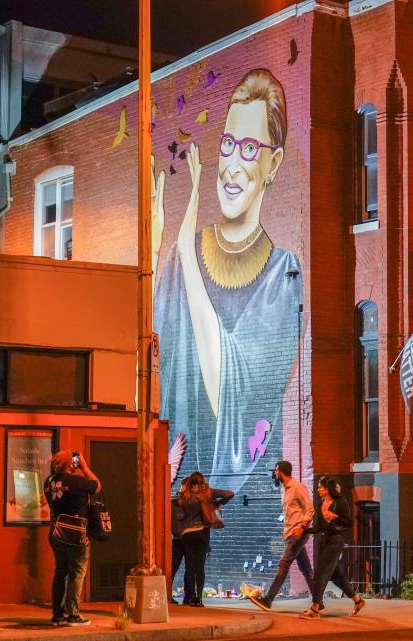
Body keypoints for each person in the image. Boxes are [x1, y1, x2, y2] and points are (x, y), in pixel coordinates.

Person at [153, 68, 303, 500]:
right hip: (177, 499)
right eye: (228, 144)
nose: (232, 165)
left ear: (274, 164)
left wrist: (182, 249)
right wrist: (156, 248)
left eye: (251, 148)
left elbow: (233, 402)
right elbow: (151, 368)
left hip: (241, 513)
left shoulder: (282, 275)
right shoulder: (182, 259)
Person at [44, 450, 101, 627]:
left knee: (60, 572)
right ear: (70, 464)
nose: (76, 463)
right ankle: (73, 615)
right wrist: (85, 468)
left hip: (56, 531)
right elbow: (97, 486)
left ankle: (58, 615)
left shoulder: (49, 482)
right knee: (77, 572)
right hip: (76, 532)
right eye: (74, 461)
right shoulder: (78, 481)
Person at [249, 461, 314, 611]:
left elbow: (310, 510)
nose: (275, 473)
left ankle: (268, 599)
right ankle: (319, 602)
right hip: (290, 533)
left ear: (282, 472)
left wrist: (301, 527)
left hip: (298, 534)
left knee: (283, 565)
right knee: (306, 569)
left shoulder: (298, 488)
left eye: (276, 470)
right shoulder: (284, 489)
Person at [299, 477, 365, 619]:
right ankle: (358, 601)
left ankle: (315, 609)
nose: (318, 489)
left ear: (327, 488)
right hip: (324, 541)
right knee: (337, 576)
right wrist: (303, 531)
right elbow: (317, 528)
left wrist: (334, 517)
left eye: (320, 487)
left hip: (335, 541)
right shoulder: (321, 503)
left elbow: (348, 523)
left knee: (319, 574)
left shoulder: (340, 503)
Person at [174, 471, 234, 606]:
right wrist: (216, 505)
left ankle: (189, 598)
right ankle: (199, 599)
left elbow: (177, 510)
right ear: (202, 482)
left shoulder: (185, 496)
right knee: (200, 567)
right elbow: (229, 494)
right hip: (202, 533)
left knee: (190, 567)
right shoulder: (207, 493)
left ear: (189, 483)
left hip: (187, 534)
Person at [169, 479, 186, 605]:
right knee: (174, 567)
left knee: (190, 568)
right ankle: (168, 594)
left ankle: (190, 595)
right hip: (180, 538)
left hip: (182, 538)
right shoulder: (175, 502)